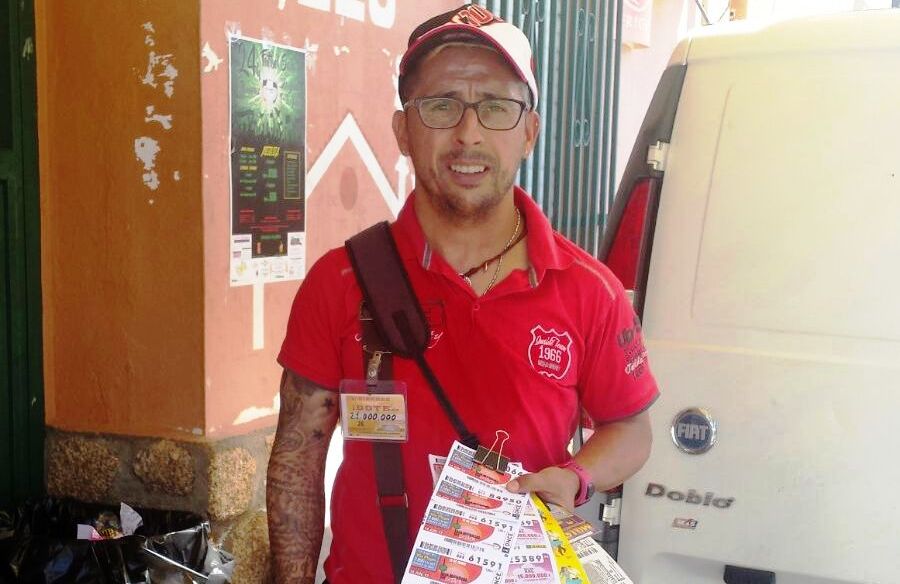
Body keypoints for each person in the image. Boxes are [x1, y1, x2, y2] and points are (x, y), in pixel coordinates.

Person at [267, 4, 659, 583]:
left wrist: (576, 477)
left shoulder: (588, 290)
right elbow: (298, 457)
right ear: (403, 131)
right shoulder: (341, 281)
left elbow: (631, 428)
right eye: (441, 104)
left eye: (496, 106)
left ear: (529, 132)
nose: (468, 134)